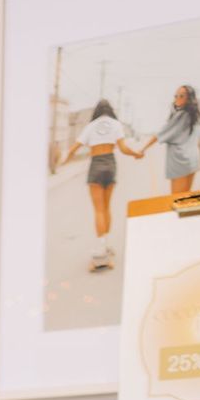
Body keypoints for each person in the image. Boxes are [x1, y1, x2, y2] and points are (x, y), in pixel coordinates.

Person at [60, 95, 129, 272]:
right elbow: (123, 148)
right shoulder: (116, 124)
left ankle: (101, 247)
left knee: (98, 210)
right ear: (110, 110)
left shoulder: (90, 126)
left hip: (96, 165)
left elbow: (73, 149)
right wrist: (136, 154)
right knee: (106, 208)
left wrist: (63, 162)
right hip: (110, 164)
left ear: (97, 111)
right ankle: (105, 245)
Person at [147, 82, 200, 193]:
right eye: (176, 96)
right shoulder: (196, 116)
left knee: (176, 198)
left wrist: (142, 149)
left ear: (189, 98)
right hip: (193, 160)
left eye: (181, 95)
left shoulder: (181, 115)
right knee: (186, 196)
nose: (177, 98)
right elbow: (198, 141)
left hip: (180, 161)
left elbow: (160, 134)